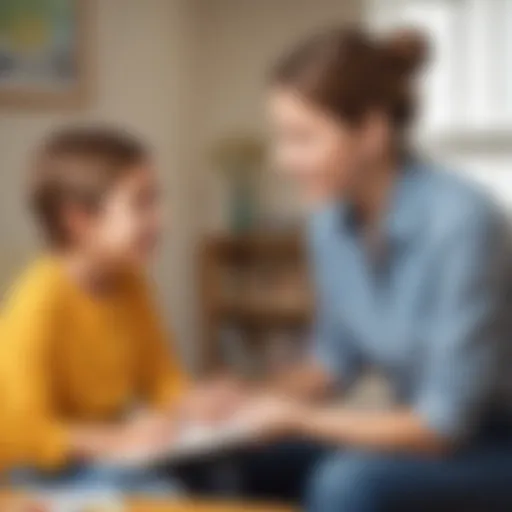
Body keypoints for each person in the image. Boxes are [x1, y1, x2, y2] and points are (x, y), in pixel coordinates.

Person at [180, 27, 512, 511]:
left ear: (372, 134)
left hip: (493, 443)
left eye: (302, 138)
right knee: (224, 460)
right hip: (424, 430)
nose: (281, 160)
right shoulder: (329, 223)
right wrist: (247, 399)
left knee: (348, 485)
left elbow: (444, 425)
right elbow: (334, 361)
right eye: (281, 137)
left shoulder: (462, 222)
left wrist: (294, 418)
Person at [1, 126, 190, 492]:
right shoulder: (39, 299)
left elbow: (162, 380)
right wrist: (115, 440)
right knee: (157, 491)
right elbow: (19, 431)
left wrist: (193, 405)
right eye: (142, 202)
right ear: (80, 220)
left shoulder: (131, 282)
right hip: (43, 469)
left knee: (218, 474)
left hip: (108, 455)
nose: (160, 219)